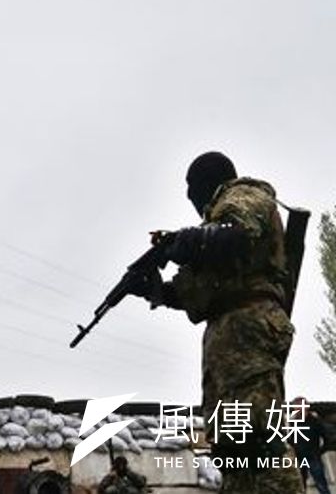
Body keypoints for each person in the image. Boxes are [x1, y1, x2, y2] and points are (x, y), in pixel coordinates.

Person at [136, 151, 301, 494]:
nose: (188, 195)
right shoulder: (213, 229)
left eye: (191, 186)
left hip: (249, 334)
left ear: (210, 180)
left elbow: (236, 235)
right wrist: (155, 291)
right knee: (231, 448)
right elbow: (196, 294)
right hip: (226, 346)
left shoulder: (243, 195)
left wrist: (184, 242)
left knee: (260, 437)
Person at [292, 396, 331, 494]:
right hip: (299, 457)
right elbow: (291, 438)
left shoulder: (314, 420)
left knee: (321, 485)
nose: (298, 408)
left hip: (313, 456)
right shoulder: (294, 421)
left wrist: (320, 451)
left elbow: (327, 437)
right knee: (300, 486)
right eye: (296, 406)